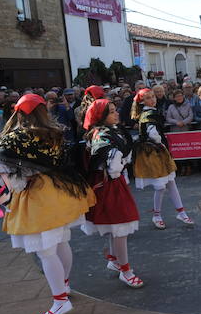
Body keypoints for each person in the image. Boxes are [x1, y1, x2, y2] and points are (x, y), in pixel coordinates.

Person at [0, 94, 96, 314]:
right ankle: (64, 286)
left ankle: (60, 300)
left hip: (37, 197)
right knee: (60, 242)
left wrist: (15, 184)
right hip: (60, 192)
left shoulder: (16, 138)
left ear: (19, 113)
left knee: (46, 250)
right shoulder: (54, 133)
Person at [82, 99, 143, 288]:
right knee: (120, 227)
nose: (116, 114)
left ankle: (115, 261)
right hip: (109, 185)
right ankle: (126, 270)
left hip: (110, 184)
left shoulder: (106, 132)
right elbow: (115, 167)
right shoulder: (103, 135)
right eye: (111, 112)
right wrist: (123, 161)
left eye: (116, 110)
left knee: (115, 227)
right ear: (101, 116)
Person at [131, 88, 194, 229]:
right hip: (154, 152)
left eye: (153, 96)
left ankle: (181, 212)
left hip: (155, 151)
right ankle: (157, 215)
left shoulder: (146, 112)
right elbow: (152, 132)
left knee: (170, 182)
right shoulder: (150, 113)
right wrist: (159, 142)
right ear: (142, 101)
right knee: (160, 186)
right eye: (148, 98)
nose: (152, 99)